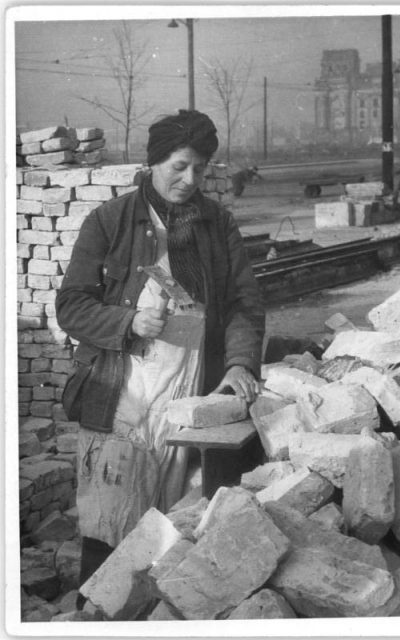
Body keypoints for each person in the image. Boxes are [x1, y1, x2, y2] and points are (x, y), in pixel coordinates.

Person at [55, 109, 265, 603]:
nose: (190, 180)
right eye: (179, 166)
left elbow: (243, 304)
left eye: (200, 169)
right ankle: (95, 618)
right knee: (111, 521)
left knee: (176, 521)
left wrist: (238, 362)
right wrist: (127, 323)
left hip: (188, 390)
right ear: (153, 163)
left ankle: (159, 617)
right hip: (120, 392)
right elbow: (71, 306)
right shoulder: (109, 221)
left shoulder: (217, 224)